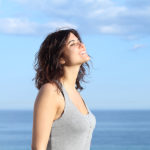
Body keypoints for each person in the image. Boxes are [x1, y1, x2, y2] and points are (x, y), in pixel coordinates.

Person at [31, 28, 96, 150]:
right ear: (60, 58)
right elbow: (38, 147)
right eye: (73, 44)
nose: (82, 45)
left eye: (79, 41)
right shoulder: (51, 91)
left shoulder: (75, 93)